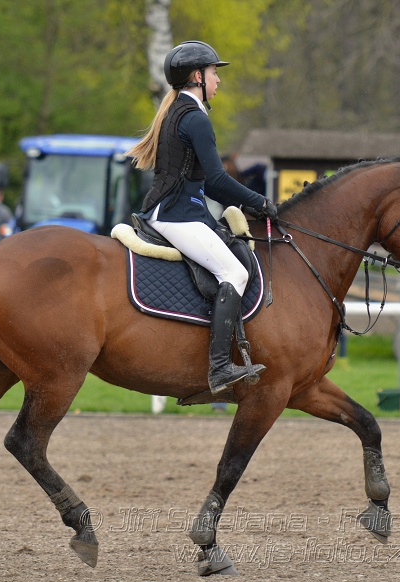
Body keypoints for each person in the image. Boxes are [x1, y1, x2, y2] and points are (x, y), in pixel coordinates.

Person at [125, 40, 278, 396]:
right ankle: (220, 367)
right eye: (213, 73)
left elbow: (203, 184)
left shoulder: (180, 110)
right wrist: (261, 203)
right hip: (176, 216)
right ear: (197, 76)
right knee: (234, 272)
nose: (218, 80)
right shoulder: (193, 116)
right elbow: (216, 180)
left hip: (182, 211)